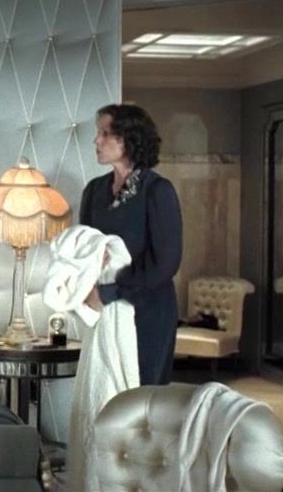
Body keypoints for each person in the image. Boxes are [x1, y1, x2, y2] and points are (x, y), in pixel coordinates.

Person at [81, 103, 182, 386]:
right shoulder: (94, 191)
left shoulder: (158, 191)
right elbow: (84, 247)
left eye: (105, 134)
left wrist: (110, 292)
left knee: (141, 398)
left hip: (148, 311)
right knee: (103, 392)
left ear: (129, 139)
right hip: (104, 311)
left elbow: (165, 264)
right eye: (98, 133)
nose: (96, 141)